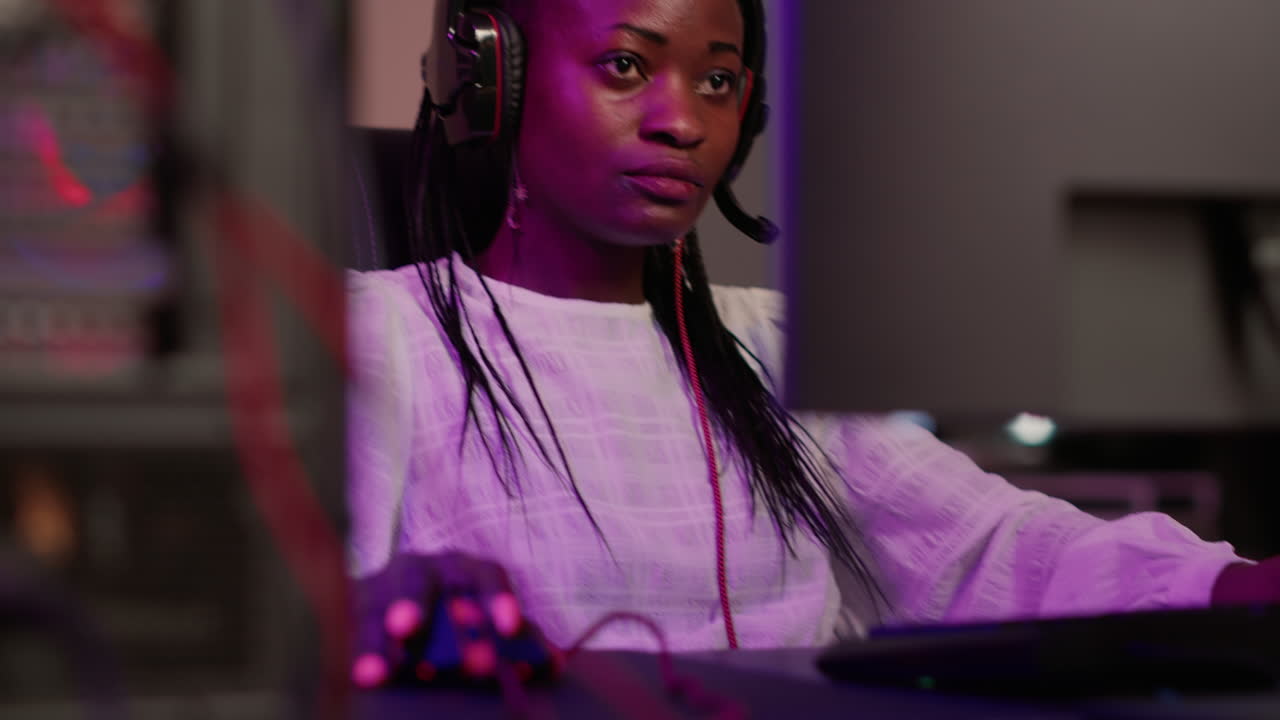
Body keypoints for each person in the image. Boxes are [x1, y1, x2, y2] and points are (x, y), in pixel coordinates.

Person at [345, 0, 1280, 687]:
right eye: (627, 67)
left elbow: (982, 547)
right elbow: (282, 618)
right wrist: (390, 596)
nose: (682, 121)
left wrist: (1234, 587)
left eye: (717, 81)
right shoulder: (378, 338)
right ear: (494, 81)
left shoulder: (767, 348)